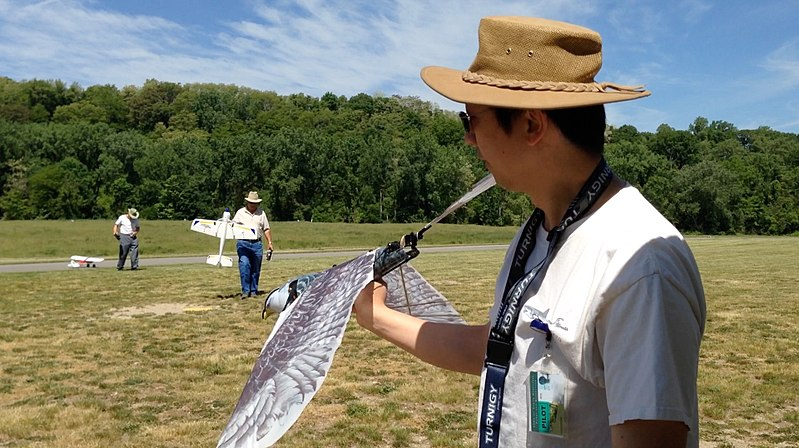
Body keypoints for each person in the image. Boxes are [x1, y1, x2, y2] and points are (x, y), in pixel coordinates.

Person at [354, 16, 706, 448]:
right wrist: (377, 317)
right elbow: (496, 347)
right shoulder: (540, 229)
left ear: (532, 125)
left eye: (470, 120)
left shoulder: (639, 267)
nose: (468, 139)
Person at [233, 191, 273, 299]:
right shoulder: (240, 213)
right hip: (243, 243)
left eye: (255, 203)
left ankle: (254, 290)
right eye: (251, 202)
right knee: (244, 265)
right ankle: (245, 291)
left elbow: (266, 228)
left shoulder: (261, 213)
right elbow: (233, 226)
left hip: (257, 244)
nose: (253, 205)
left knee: (256, 268)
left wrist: (269, 243)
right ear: (247, 202)